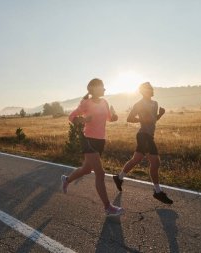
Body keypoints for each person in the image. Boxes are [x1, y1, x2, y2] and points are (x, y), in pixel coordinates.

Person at [61, 78, 124, 216]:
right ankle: (108, 207)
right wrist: (83, 120)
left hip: (100, 140)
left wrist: (115, 116)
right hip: (88, 139)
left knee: (86, 169)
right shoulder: (86, 103)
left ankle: (67, 180)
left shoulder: (105, 102)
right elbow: (71, 117)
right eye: (102, 87)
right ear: (94, 88)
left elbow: (109, 118)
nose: (105, 89)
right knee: (100, 173)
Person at [112, 82, 173, 204]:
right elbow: (129, 118)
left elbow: (153, 120)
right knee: (155, 162)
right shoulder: (139, 104)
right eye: (148, 89)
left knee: (136, 159)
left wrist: (160, 114)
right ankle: (157, 191)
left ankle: (118, 178)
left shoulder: (155, 103)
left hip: (149, 135)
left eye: (151, 88)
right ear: (143, 91)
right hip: (143, 135)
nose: (151, 90)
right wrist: (141, 119)